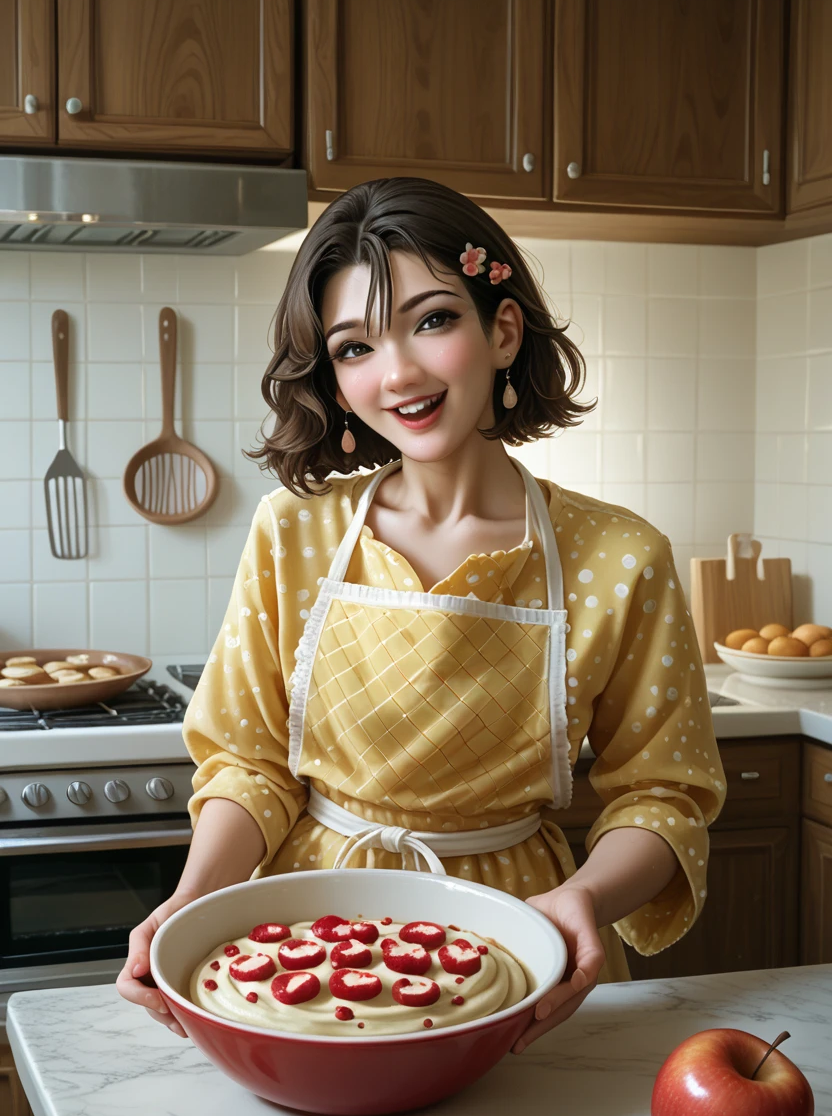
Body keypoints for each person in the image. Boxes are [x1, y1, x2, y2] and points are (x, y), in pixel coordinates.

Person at [117, 177, 726, 1054]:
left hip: (519, 934)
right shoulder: (294, 533)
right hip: (309, 934)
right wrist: (191, 900)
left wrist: (581, 902)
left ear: (502, 330)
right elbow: (251, 764)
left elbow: (664, 794)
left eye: (433, 320)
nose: (395, 372)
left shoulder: (619, 556)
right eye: (354, 346)